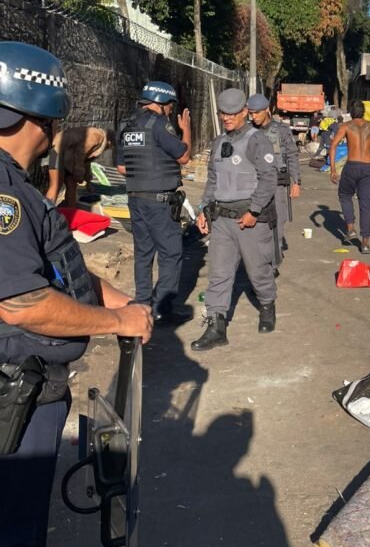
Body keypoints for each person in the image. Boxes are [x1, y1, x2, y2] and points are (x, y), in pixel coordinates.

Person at [0, 41, 153, 547]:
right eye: (53, 122)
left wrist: (115, 300)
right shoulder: (4, 197)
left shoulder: (21, 191)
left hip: (30, 391)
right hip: (15, 396)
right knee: (10, 546)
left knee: (17, 543)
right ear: (35, 117)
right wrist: (115, 322)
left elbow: (55, 265)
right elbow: (22, 302)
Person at [190, 88, 278, 351]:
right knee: (219, 274)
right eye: (223, 113)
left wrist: (254, 211)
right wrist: (203, 209)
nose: (226, 118)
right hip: (222, 220)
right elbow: (212, 181)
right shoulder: (218, 142)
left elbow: (268, 179)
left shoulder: (257, 141)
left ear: (244, 112)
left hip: (250, 220)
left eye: (232, 113)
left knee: (258, 270)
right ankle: (216, 327)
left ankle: (267, 304)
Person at [116, 81, 192, 322]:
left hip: (135, 199)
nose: (170, 111)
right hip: (159, 202)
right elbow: (184, 156)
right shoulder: (159, 124)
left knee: (143, 253)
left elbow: (121, 168)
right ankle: (162, 310)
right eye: (170, 106)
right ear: (162, 103)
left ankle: (142, 304)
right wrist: (186, 129)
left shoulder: (126, 126)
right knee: (170, 253)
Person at [330, 100, 370, 254]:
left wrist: (333, 169)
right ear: (363, 112)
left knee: (345, 195)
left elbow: (333, 145)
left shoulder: (346, 126)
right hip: (368, 168)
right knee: (366, 205)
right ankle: (365, 243)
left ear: (351, 112)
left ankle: (350, 228)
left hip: (352, 166)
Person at [247, 94, 300, 249]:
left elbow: (292, 154)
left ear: (267, 110)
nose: (254, 117)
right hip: (253, 182)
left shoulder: (281, 130)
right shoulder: (248, 131)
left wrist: (296, 181)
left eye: (257, 113)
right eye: (251, 113)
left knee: (278, 218)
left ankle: (275, 252)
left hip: (277, 182)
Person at [45, 125, 111, 208]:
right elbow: (80, 153)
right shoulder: (96, 136)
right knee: (56, 185)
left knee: (72, 185)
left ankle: (70, 210)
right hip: (57, 150)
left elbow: (86, 161)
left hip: (68, 155)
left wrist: (88, 181)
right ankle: (46, 211)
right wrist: (79, 175)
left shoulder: (98, 139)